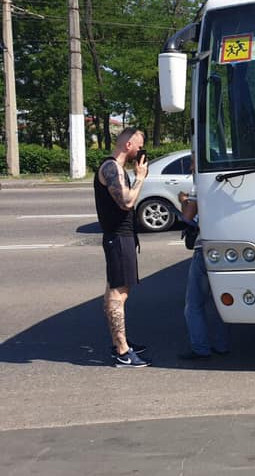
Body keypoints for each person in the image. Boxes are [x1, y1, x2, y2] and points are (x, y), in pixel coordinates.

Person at [94, 127, 150, 368]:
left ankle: (121, 343)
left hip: (120, 237)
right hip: (118, 238)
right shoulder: (111, 168)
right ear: (128, 145)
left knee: (112, 292)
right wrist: (140, 177)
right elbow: (127, 201)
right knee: (119, 295)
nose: (140, 150)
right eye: (139, 145)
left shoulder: (116, 168)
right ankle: (122, 352)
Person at [177, 181, 230, 360]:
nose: (192, 166)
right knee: (218, 302)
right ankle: (221, 344)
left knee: (194, 304)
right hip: (229, 245)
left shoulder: (201, 184)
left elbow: (187, 216)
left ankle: (200, 348)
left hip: (205, 248)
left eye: (192, 161)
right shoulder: (230, 183)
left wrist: (184, 200)